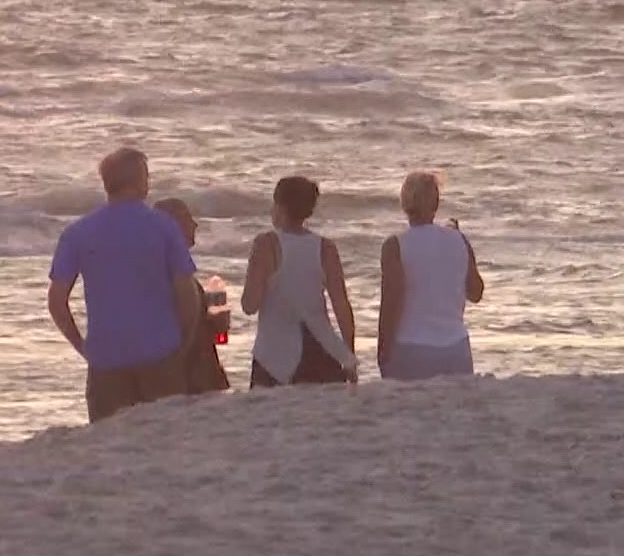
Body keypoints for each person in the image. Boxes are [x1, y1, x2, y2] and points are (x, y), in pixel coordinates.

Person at [46, 147, 198, 422]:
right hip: (160, 351)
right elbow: (186, 292)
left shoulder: (78, 232)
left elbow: (57, 301)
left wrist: (81, 345)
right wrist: (183, 340)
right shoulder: (163, 226)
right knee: (164, 440)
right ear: (140, 180)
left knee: (109, 448)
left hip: (106, 356)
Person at [241, 175, 358, 387]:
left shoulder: (266, 244)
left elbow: (250, 305)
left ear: (279, 206)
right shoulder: (325, 247)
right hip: (323, 350)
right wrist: (348, 355)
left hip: (274, 355)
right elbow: (341, 306)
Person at [377, 170, 485, 381]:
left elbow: (391, 302)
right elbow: (476, 292)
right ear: (436, 203)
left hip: (412, 347)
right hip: (456, 347)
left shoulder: (395, 245)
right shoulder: (459, 240)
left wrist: (383, 350)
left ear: (404, 203)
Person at [152, 197, 231, 396]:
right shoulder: (165, 271)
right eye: (187, 218)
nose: (195, 224)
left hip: (198, 372)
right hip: (188, 376)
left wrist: (215, 325)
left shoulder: (177, 269)